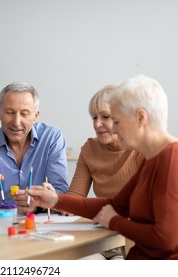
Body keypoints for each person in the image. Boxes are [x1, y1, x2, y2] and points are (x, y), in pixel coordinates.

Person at [26, 74, 178, 260]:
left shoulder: (172, 160)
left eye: (117, 122)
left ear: (140, 118)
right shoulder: (152, 158)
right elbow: (115, 205)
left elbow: (165, 239)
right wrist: (55, 200)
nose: (113, 129)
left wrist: (114, 222)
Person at [66, 84, 144, 260]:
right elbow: (74, 198)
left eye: (105, 117)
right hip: (100, 239)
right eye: (94, 117)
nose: (97, 124)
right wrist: (54, 199)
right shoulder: (90, 149)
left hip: (133, 242)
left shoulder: (143, 149)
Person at [0, 81, 68, 213]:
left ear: (35, 116)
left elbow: (61, 193)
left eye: (24, 113)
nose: (16, 122)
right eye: (9, 112)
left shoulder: (52, 138)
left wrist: (39, 204)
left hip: (40, 224)